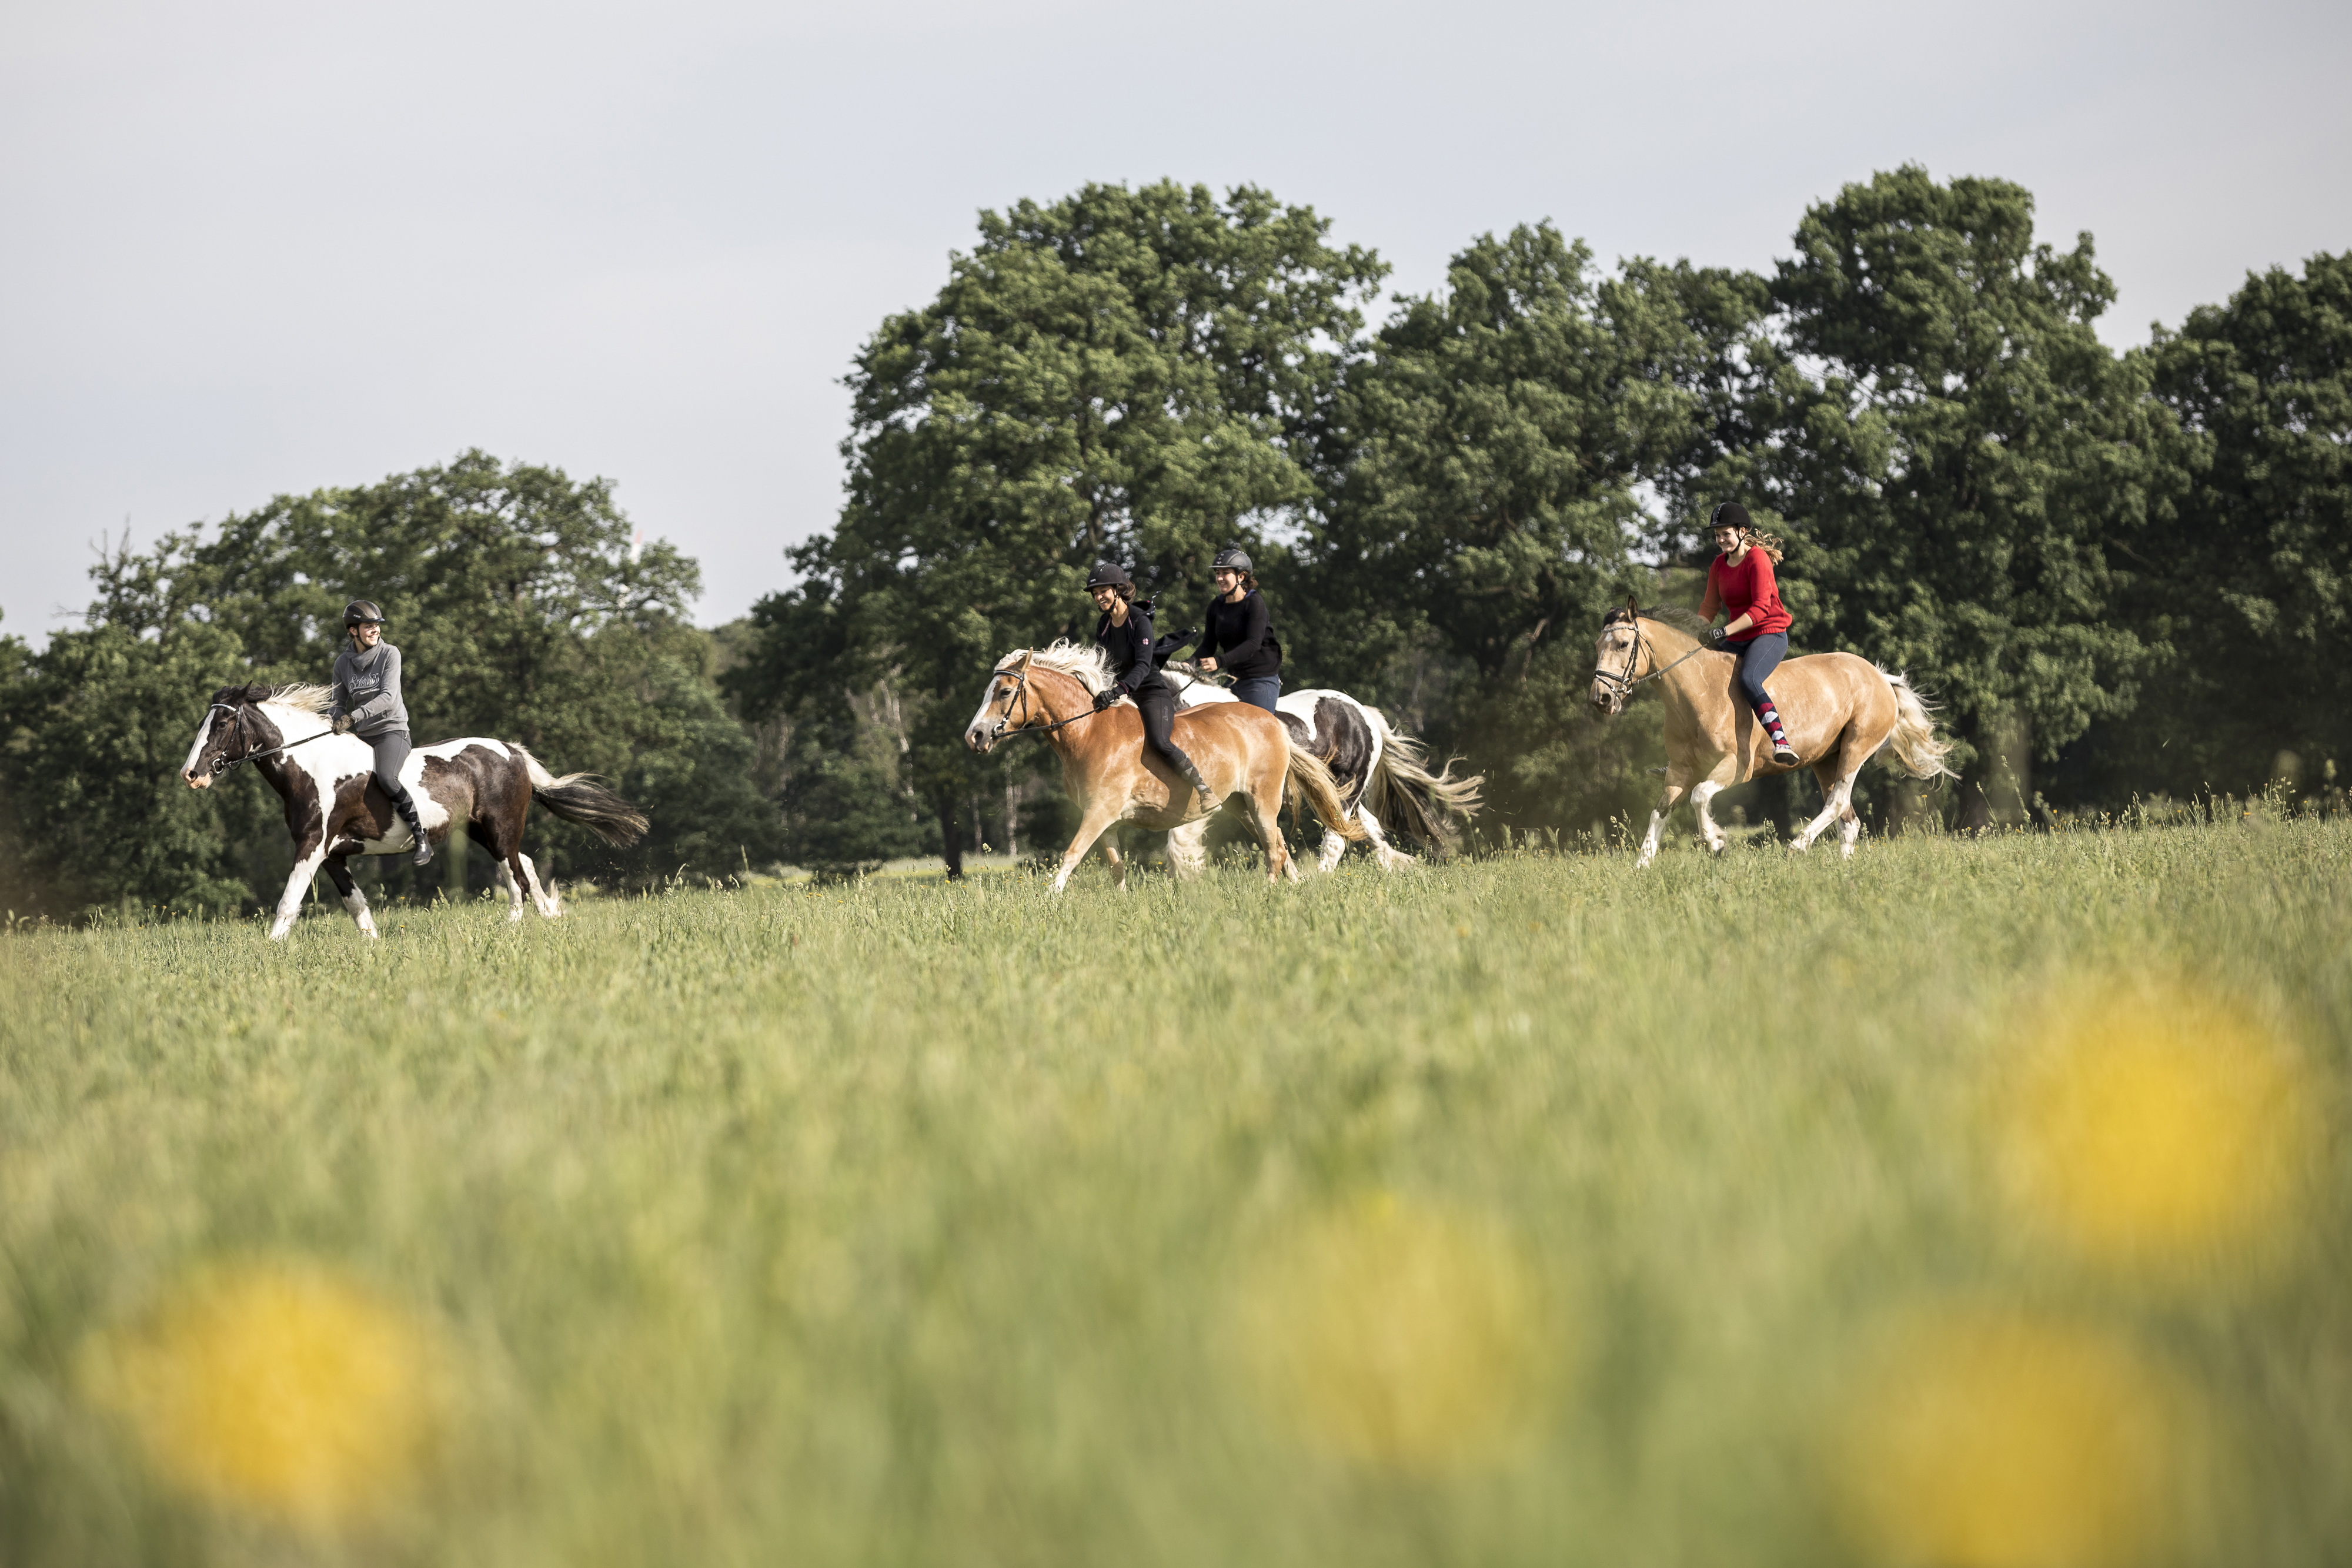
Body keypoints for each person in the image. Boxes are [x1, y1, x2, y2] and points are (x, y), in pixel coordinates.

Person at [1086, 562, 1218, 813]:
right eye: (1095, 593)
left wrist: (1118, 690)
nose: (1099, 597)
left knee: (1159, 741)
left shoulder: (1139, 621)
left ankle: (1204, 790)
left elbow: (1143, 666)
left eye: (1103, 591)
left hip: (1149, 693)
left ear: (1118, 590)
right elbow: (1102, 663)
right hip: (1122, 693)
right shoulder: (1103, 625)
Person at [328, 600, 435, 865]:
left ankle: (421, 838)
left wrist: (354, 716)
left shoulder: (390, 654)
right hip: (362, 736)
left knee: (387, 778)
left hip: (392, 732)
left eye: (377, 625)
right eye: (369, 626)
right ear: (353, 631)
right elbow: (336, 702)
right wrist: (336, 717)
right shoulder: (343, 663)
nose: (375, 630)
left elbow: (388, 697)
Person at [1698, 502, 1800, 767]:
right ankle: (1691, 754)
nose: (1720, 540)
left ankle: (1781, 742)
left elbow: (1760, 610)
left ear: (1742, 531)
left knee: (1749, 679)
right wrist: (1693, 631)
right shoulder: (1719, 565)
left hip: (1769, 633)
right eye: (1717, 535)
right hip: (1739, 638)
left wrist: (1722, 631)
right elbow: (1709, 607)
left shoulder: (1757, 559)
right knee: (1700, 676)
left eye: (1725, 534)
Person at [1193, 544, 1283, 713]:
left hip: (1260, 679)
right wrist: (1187, 665)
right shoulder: (1216, 606)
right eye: (1217, 573)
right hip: (1234, 679)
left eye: (1225, 573)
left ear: (1241, 577)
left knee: (1257, 730)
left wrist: (1219, 662)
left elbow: (1253, 644)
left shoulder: (1254, 603)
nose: (1220, 578)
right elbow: (1208, 645)